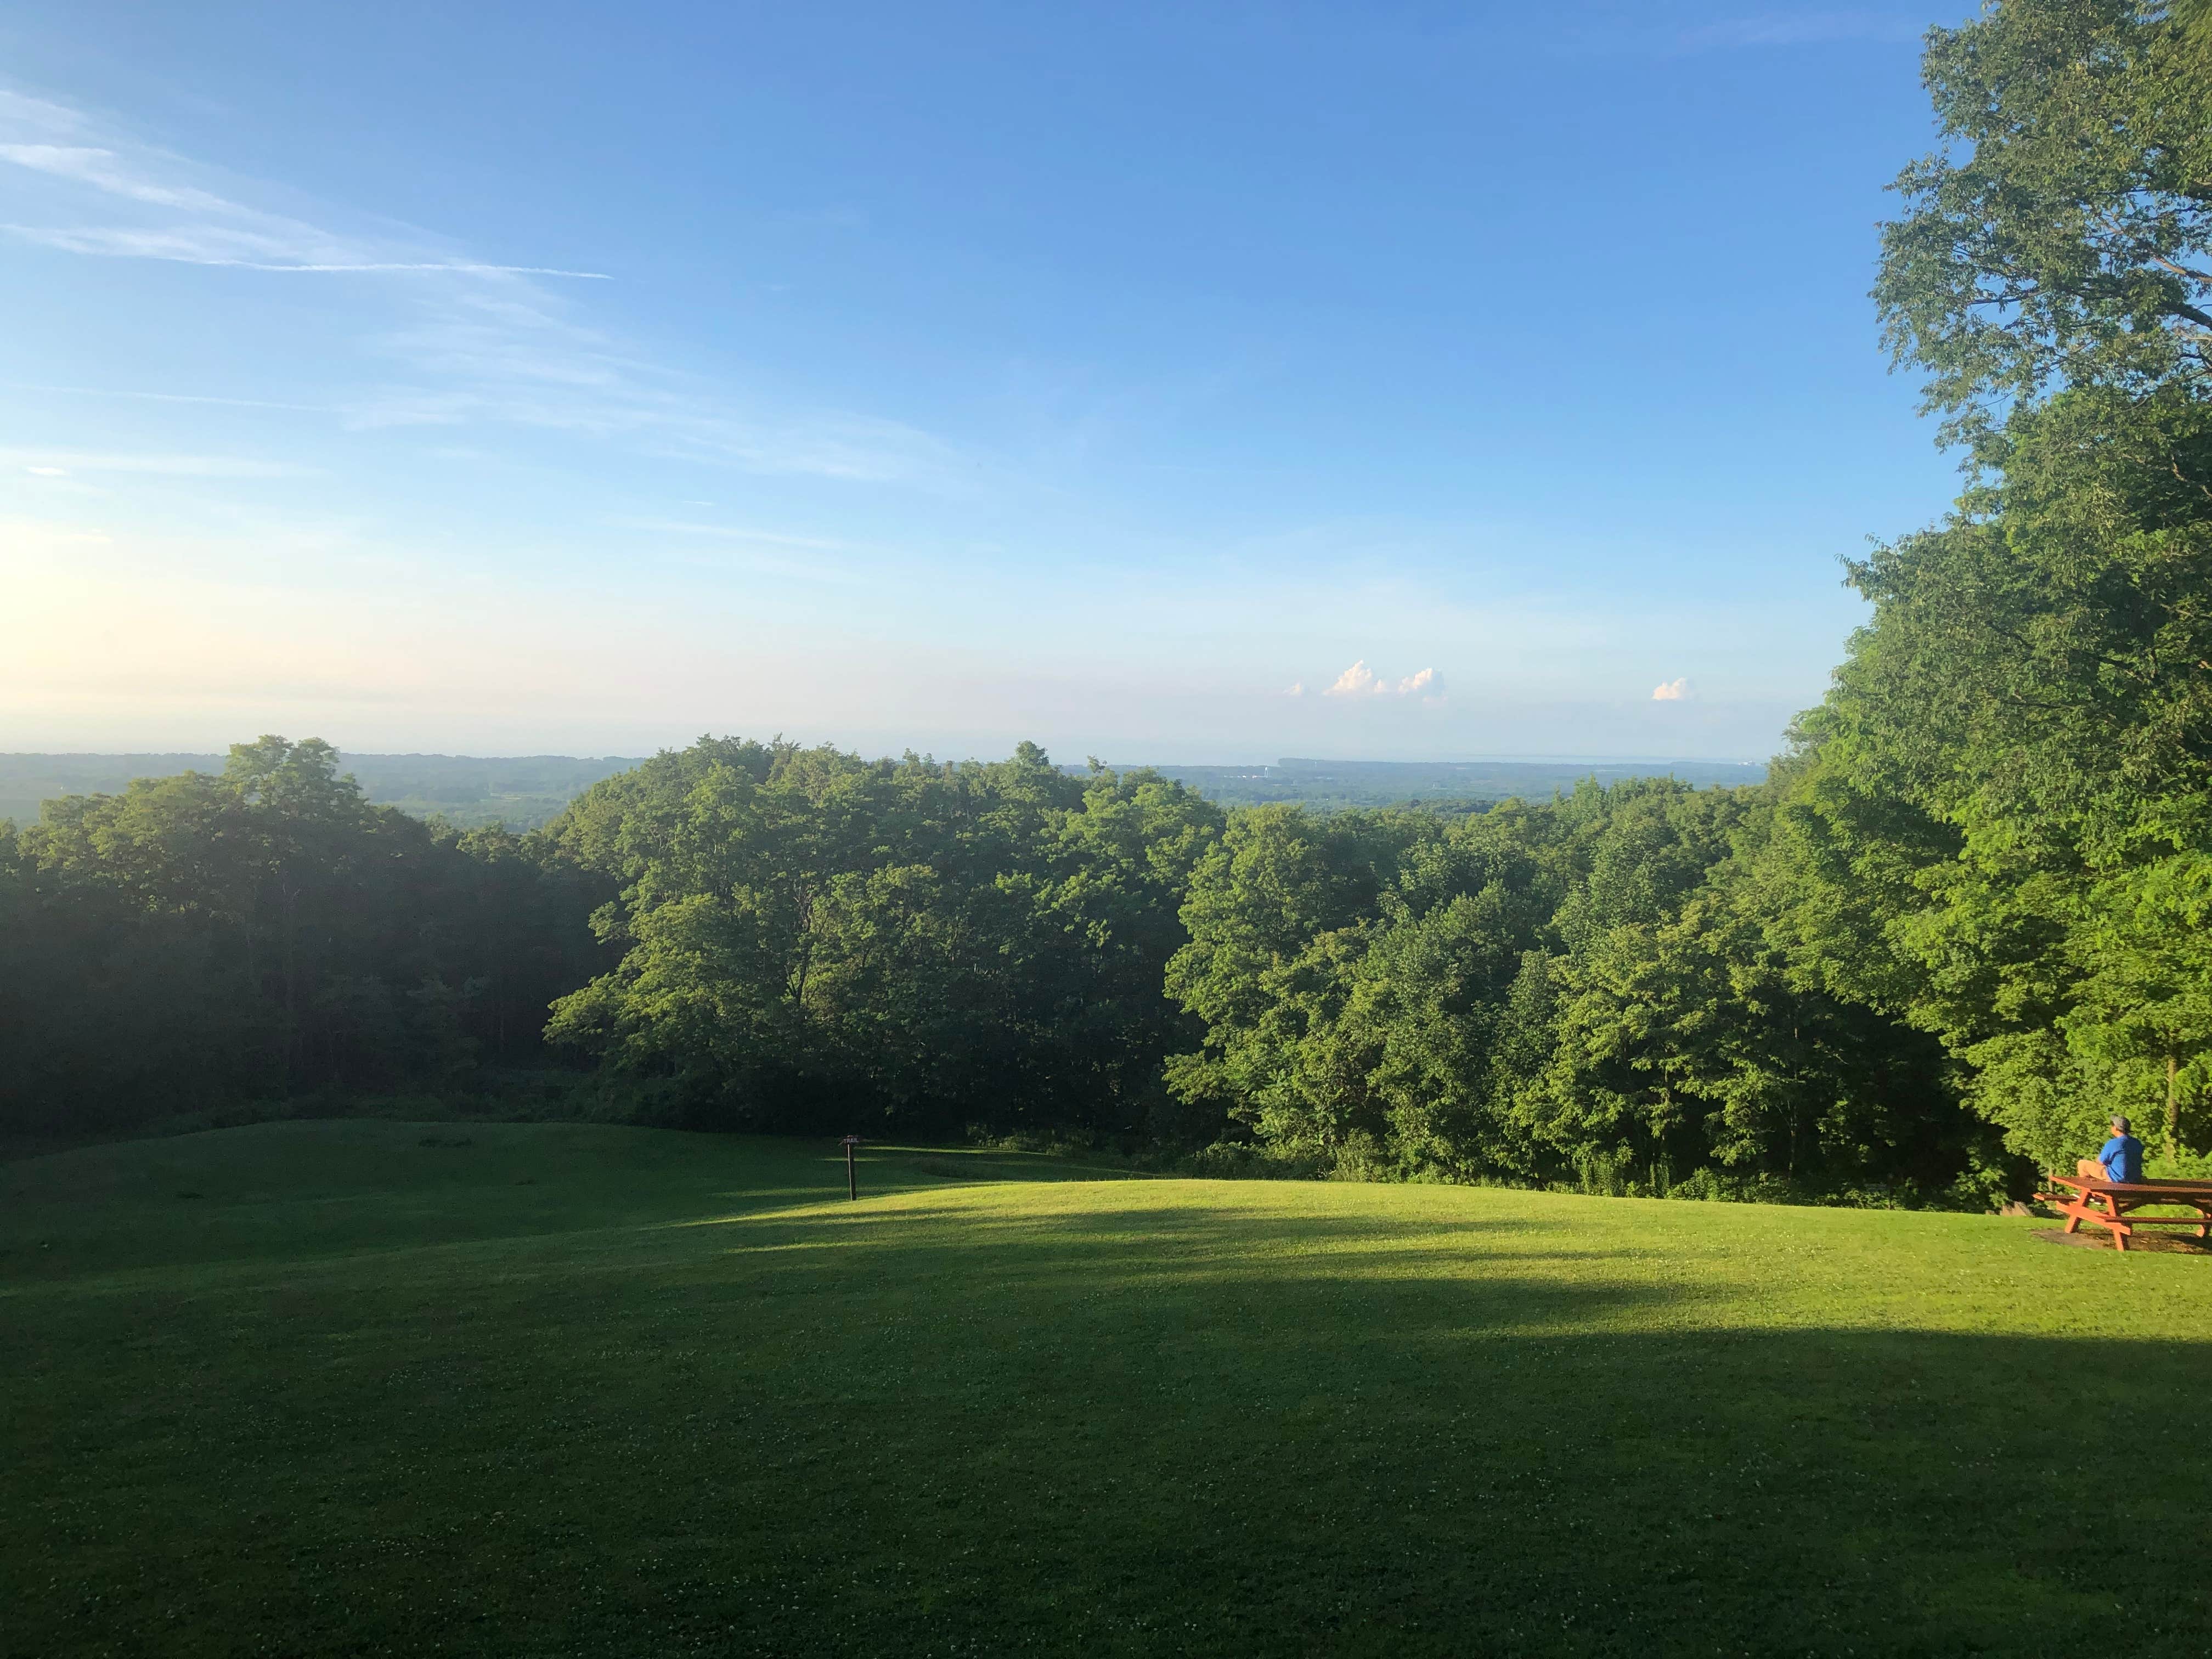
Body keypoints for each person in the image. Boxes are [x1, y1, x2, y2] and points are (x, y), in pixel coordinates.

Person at [2076, 1116, 2145, 1185]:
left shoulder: (2114, 1143)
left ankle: (2087, 1189)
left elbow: (2101, 1162)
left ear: (2116, 1128)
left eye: (2112, 1125)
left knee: (2082, 1164)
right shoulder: (2137, 1143)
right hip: (2135, 1179)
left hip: (2117, 1178)